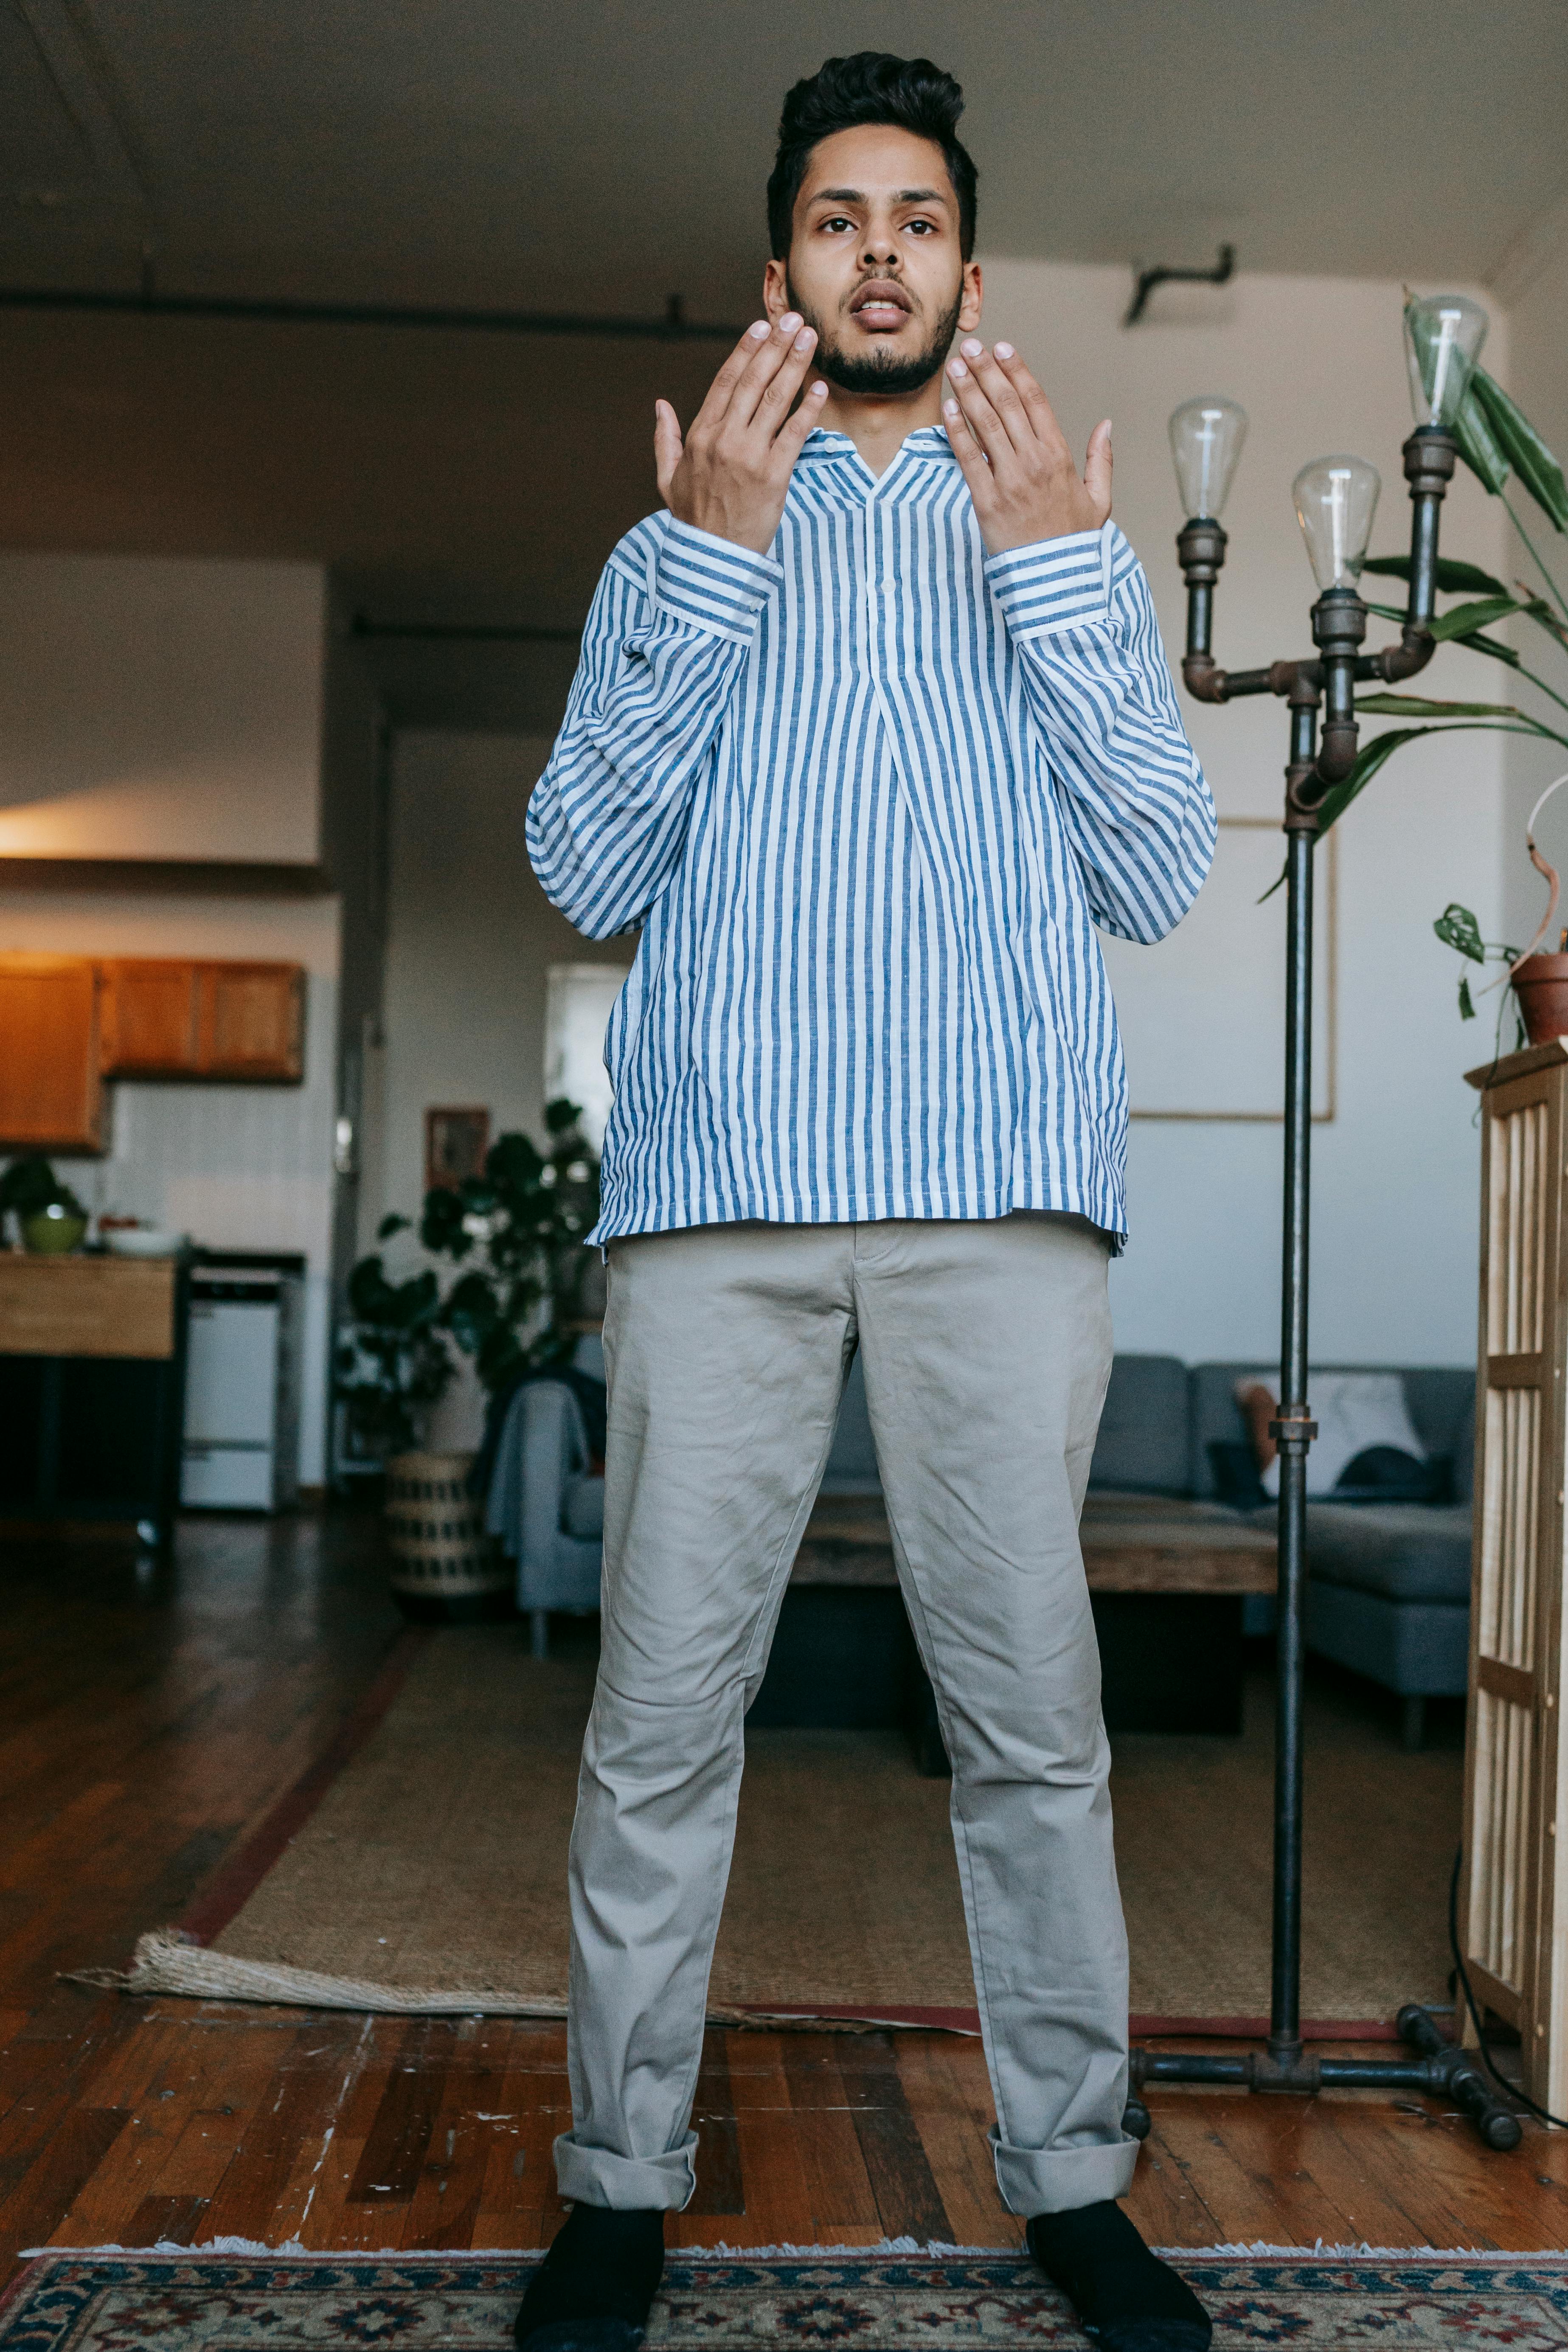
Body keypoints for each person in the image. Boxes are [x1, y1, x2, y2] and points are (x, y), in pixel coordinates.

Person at [518, 51, 1217, 2352]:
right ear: (779, 273)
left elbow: (1158, 869)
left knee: (1031, 1721)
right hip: (718, 1198)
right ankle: (620, 2173)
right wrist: (706, 557)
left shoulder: (1056, 537)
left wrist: (1067, 584)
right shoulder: (678, 533)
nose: (882, 247)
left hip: (996, 1200)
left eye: (918, 213)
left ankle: (1077, 2177)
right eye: (839, 215)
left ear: (970, 273)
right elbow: (586, 866)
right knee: (659, 1719)